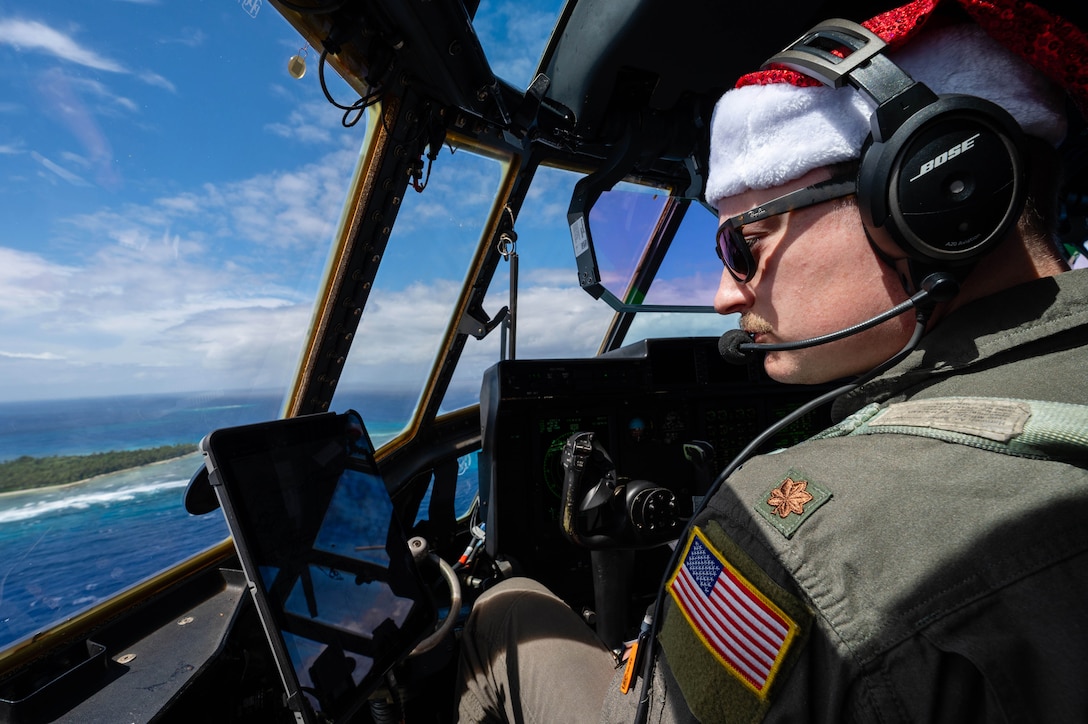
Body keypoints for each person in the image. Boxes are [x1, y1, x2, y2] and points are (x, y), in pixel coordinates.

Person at [457, 1, 1088, 722]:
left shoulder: (795, 529)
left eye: (744, 243)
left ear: (931, 192)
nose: (727, 295)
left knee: (504, 610)